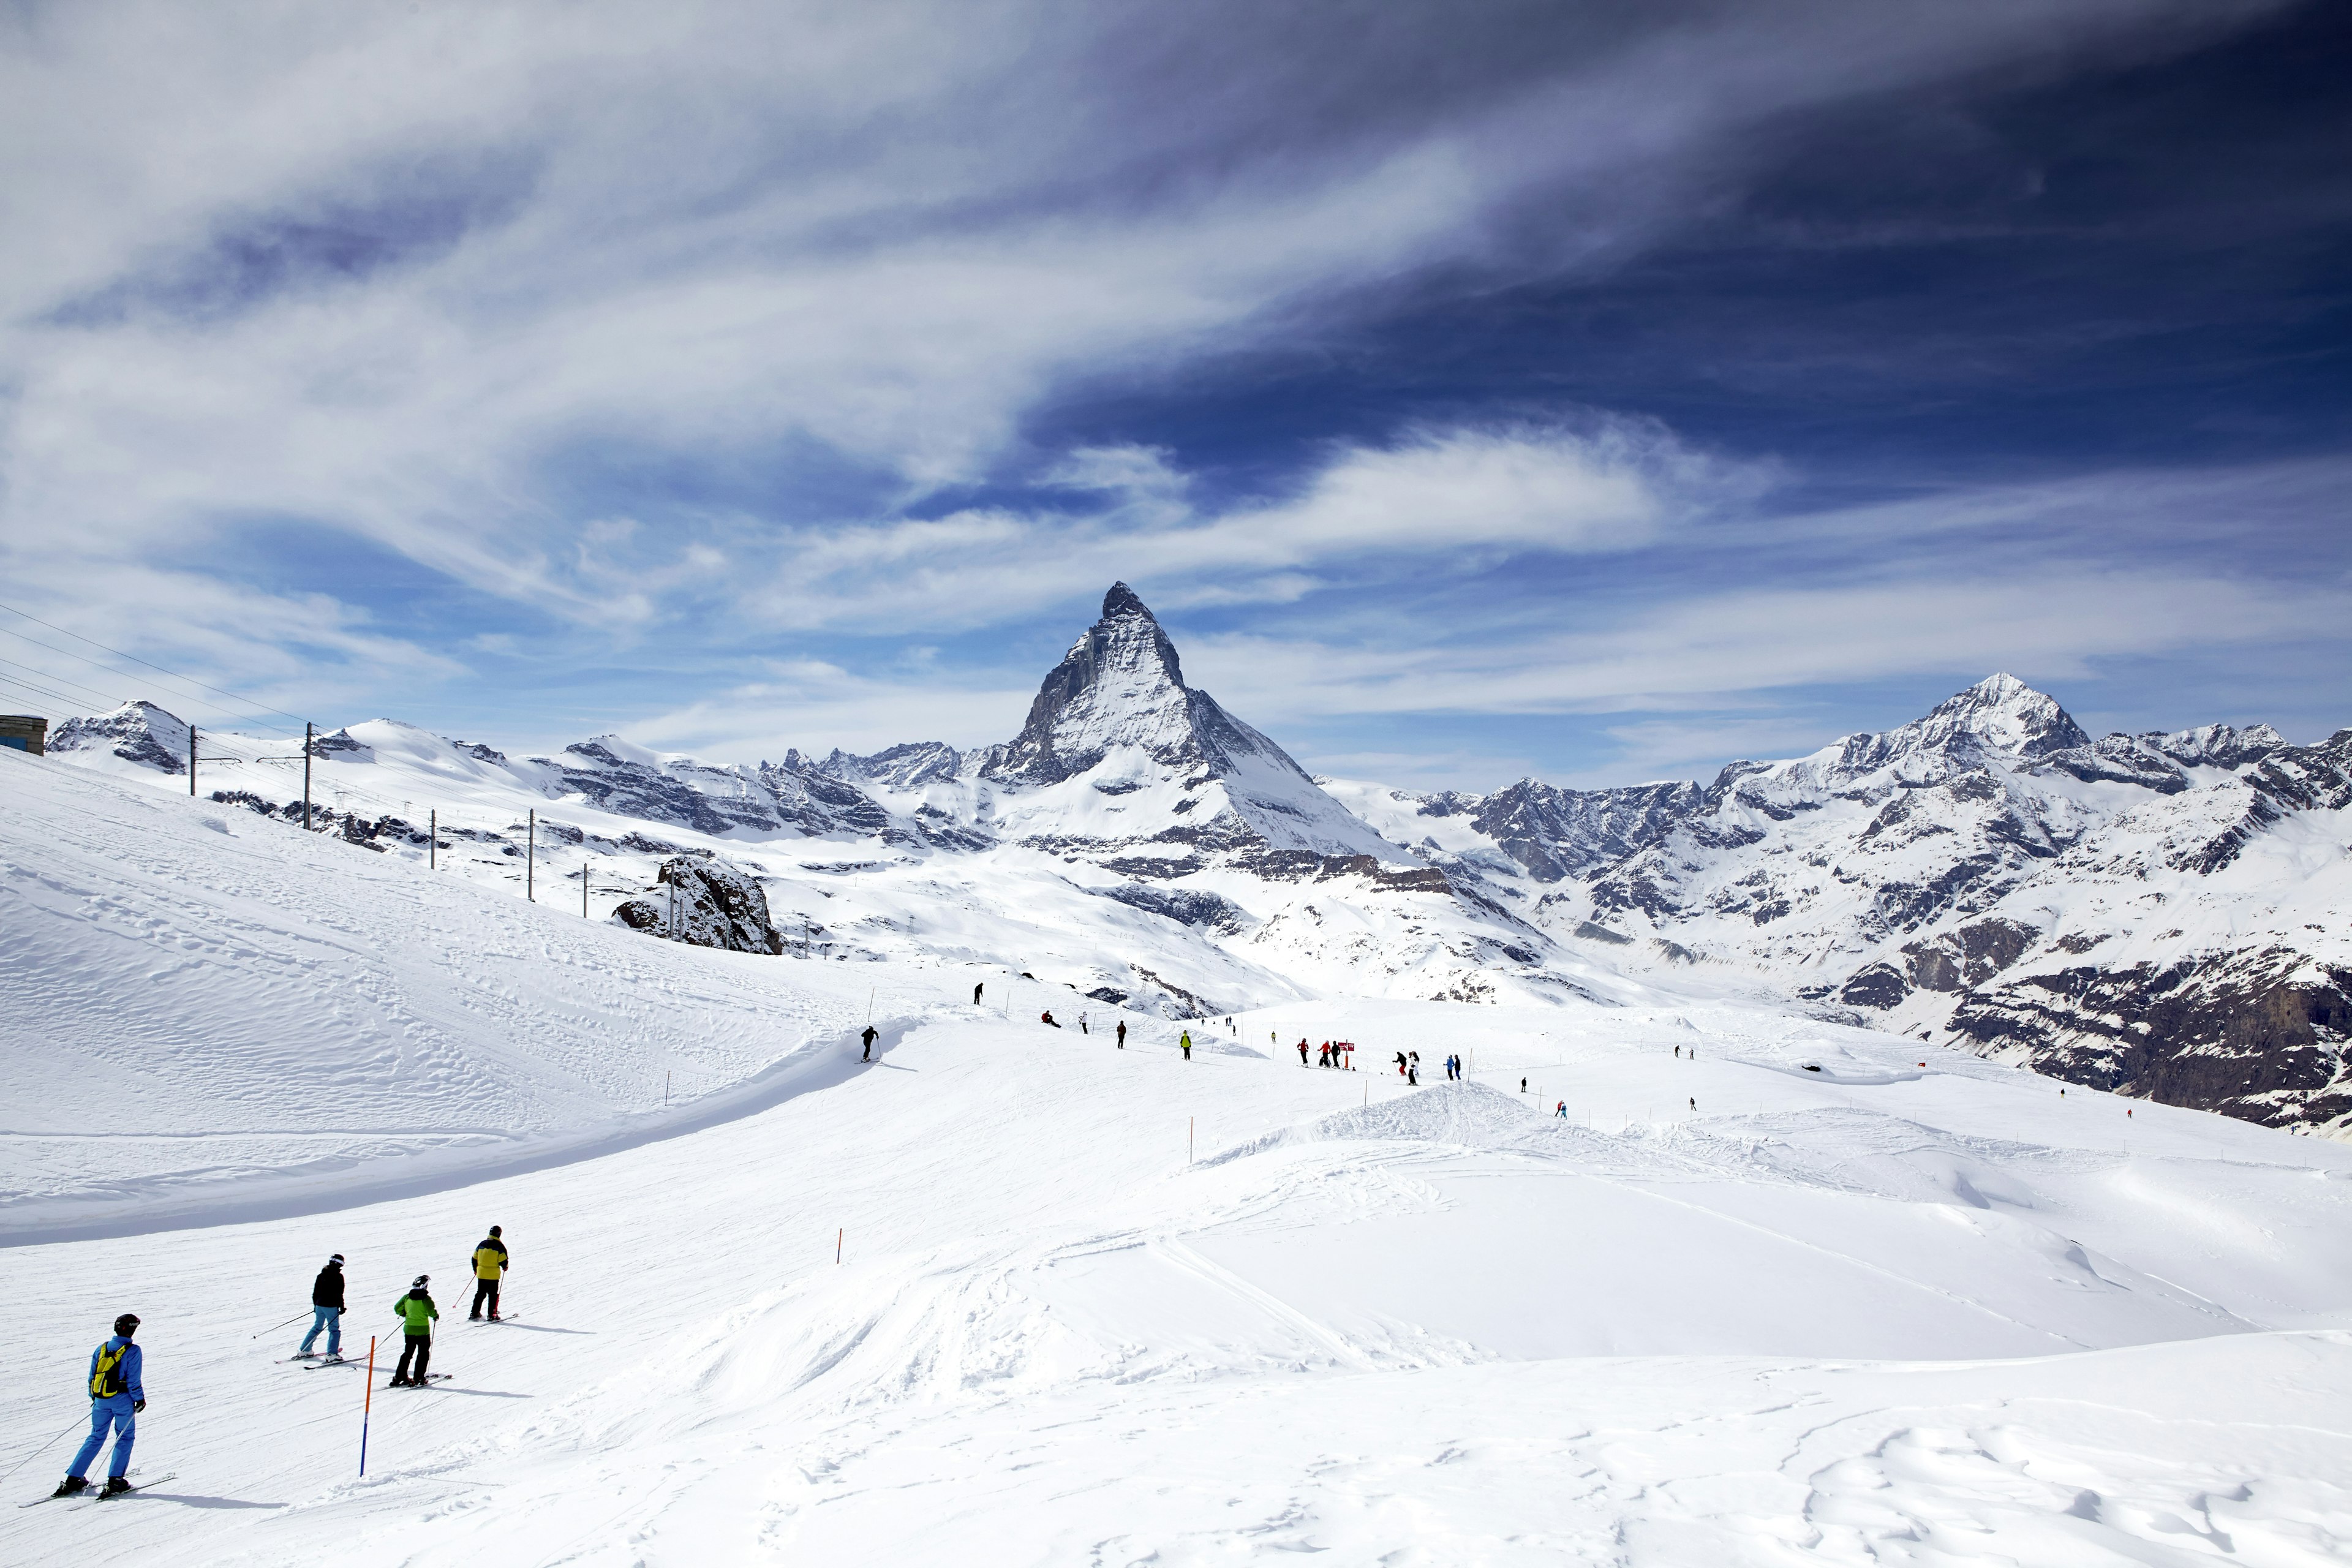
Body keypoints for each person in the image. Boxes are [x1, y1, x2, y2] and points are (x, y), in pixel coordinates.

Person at [53, 1313, 144, 1497]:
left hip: (100, 1400)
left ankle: (73, 1479)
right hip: (122, 1400)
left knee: (95, 1437)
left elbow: (92, 1377)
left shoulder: (101, 1348)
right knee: (124, 1437)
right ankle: (115, 1481)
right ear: (133, 1329)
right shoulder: (133, 1351)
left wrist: (95, 1398)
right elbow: (133, 1380)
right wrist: (140, 1399)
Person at [392, 1275, 439, 1385]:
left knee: (408, 1353)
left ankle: (399, 1376)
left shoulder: (407, 1297)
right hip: (422, 1331)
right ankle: (419, 1378)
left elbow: (397, 1308)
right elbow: (431, 1311)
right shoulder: (426, 1299)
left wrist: (404, 1314)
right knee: (423, 1354)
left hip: (409, 1329)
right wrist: (435, 1315)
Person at [298, 1254, 346, 1359]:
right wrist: (342, 1307)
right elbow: (339, 1294)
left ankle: (305, 1349)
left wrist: (316, 1306)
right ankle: (332, 1355)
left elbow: (315, 1292)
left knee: (317, 1327)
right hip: (331, 1306)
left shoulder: (321, 1275)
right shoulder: (338, 1277)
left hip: (320, 1305)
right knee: (334, 1330)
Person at [470, 1227, 509, 1321]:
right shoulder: (499, 1246)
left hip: (482, 1274)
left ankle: (474, 1313)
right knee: (493, 1295)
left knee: (480, 1294)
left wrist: (475, 1269)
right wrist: (505, 1267)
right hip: (493, 1276)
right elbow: (503, 1260)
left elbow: (474, 1258)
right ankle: (492, 1314)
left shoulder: (482, 1244)